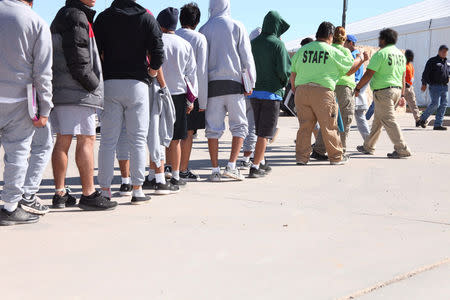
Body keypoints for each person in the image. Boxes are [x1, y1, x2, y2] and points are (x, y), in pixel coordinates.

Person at [94, 0, 165, 204]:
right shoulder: (147, 18)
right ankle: (137, 189)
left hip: (110, 83)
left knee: (108, 140)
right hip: (138, 84)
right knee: (138, 139)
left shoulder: (104, 17)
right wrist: (150, 74)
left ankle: (105, 190)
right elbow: (158, 53)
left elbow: (96, 52)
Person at [50, 0, 118, 211]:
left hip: (62, 91)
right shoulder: (77, 17)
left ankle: (60, 193)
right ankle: (88, 193)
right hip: (78, 92)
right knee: (86, 140)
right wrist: (94, 85)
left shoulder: (62, 15)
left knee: (63, 141)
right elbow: (79, 60)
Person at [0, 0, 53, 225]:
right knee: (18, 155)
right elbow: (42, 71)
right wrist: (45, 107)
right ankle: (10, 207)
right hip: (18, 99)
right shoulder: (36, 21)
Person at [291, 21, 364, 165]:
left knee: (305, 126)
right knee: (329, 125)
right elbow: (349, 69)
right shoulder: (332, 51)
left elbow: (293, 73)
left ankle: (301, 158)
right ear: (330, 36)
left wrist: (295, 90)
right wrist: (360, 59)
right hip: (322, 92)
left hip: (301, 91)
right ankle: (336, 157)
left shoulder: (302, 50)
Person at [199, 0, 256, 181]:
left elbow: (201, 63)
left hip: (212, 86)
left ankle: (215, 170)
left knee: (213, 129)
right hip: (234, 84)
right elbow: (246, 57)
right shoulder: (238, 26)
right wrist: (250, 83)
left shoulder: (204, 29)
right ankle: (231, 166)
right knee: (239, 126)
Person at [157, 7, 198, 187]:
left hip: (158, 94)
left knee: (157, 138)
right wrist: (191, 100)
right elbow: (191, 75)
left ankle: (156, 174)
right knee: (176, 139)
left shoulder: (156, 41)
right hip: (179, 95)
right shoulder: (185, 44)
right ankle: (175, 175)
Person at [355, 28, 412, 158]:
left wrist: (358, 87)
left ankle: (402, 149)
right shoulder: (400, 55)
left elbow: (369, 73)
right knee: (378, 121)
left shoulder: (381, 54)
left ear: (384, 40)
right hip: (396, 91)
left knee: (389, 120)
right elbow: (403, 77)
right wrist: (402, 95)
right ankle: (368, 146)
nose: (379, 41)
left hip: (384, 92)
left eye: (380, 38)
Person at [247, 11, 291, 178]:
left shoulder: (254, 43)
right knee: (265, 133)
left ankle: (261, 161)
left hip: (254, 93)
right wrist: (283, 82)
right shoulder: (278, 44)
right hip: (271, 94)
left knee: (259, 130)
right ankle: (255, 166)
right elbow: (284, 70)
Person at [312, 27, 367, 159]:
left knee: (328, 120)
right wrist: (360, 60)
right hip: (344, 88)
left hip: (329, 86)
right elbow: (348, 71)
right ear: (344, 40)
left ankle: (319, 150)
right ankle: (339, 150)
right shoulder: (345, 51)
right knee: (345, 119)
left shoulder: (328, 49)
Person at [176, 3, 208, 181]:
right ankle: (183, 169)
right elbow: (201, 71)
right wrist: (202, 101)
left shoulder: (171, 35)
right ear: (196, 21)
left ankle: (170, 167)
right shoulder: (199, 39)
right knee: (188, 133)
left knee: (171, 132)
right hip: (191, 92)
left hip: (172, 89)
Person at [238, 27, 262, 170]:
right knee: (253, 126)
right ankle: (247, 157)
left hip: (244, 91)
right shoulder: (262, 52)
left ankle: (251, 154)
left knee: (246, 125)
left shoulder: (246, 50)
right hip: (255, 92)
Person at [345, 34, 371, 140]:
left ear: (350, 43)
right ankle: (369, 141)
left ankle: (369, 141)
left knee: (352, 116)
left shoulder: (353, 55)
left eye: (345, 42)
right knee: (359, 116)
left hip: (354, 86)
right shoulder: (357, 54)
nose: (343, 44)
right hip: (357, 86)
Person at [418, 45, 449, 130]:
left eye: (446, 52)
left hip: (445, 87)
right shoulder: (432, 61)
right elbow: (425, 73)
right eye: (443, 51)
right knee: (435, 104)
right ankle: (422, 118)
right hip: (435, 86)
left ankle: (438, 124)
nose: (444, 53)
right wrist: (424, 83)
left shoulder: (447, 62)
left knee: (444, 105)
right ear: (439, 52)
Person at [402, 49, 422, 126]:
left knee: (413, 104)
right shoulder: (402, 64)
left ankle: (418, 120)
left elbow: (411, 75)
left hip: (410, 87)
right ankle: (385, 119)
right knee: (394, 104)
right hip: (403, 87)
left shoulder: (410, 65)